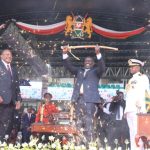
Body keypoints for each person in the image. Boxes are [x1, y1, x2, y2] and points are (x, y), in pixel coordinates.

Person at [62, 45, 105, 145]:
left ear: (93, 63)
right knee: (78, 122)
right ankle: (78, 144)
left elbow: (102, 67)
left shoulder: (96, 72)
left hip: (90, 100)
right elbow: (69, 66)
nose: (88, 62)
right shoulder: (79, 71)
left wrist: (98, 54)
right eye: (86, 61)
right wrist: (65, 53)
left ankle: (89, 144)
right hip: (78, 99)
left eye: (90, 61)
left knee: (89, 123)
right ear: (83, 63)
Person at [124, 59, 150, 150]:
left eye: (132, 66)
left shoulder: (143, 78)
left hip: (138, 111)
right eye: (130, 67)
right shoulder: (130, 80)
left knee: (138, 134)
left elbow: (146, 94)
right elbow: (128, 96)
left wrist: (145, 111)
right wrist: (126, 111)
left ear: (138, 67)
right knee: (132, 135)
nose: (130, 68)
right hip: (129, 110)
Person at [0, 48, 22, 141]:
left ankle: (4, 142)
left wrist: (19, 100)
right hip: (1, 100)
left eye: (10, 55)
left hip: (11, 102)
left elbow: (17, 87)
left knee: (9, 123)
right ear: (1, 56)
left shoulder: (14, 69)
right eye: (6, 54)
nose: (9, 56)